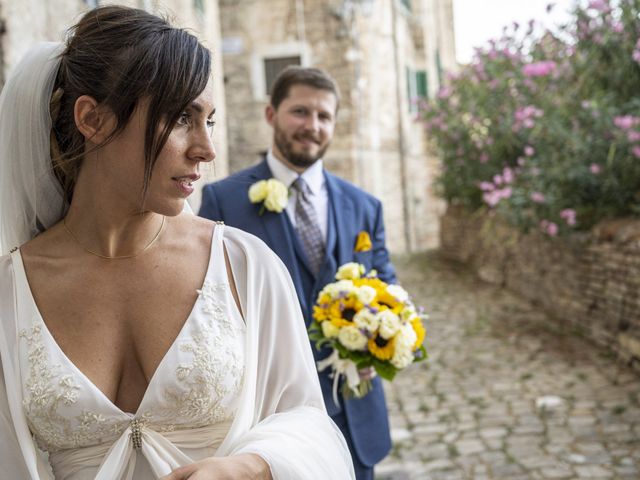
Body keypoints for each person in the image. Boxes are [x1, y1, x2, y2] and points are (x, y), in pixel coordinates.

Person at [0, 6, 355, 479]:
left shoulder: (244, 265)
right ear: (93, 119)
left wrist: (250, 467)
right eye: (182, 117)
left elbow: (308, 418)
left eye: (208, 120)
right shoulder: (11, 290)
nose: (206, 150)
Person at [199, 66, 395, 480]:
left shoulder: (364, 206)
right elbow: (202, 303)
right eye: (300, 112)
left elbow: (386, 288)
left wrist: (382, 340)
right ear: (271, 114)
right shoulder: (224, 201)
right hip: (268, 423)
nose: (313, 126)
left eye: (324, 116)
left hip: (354, 416)